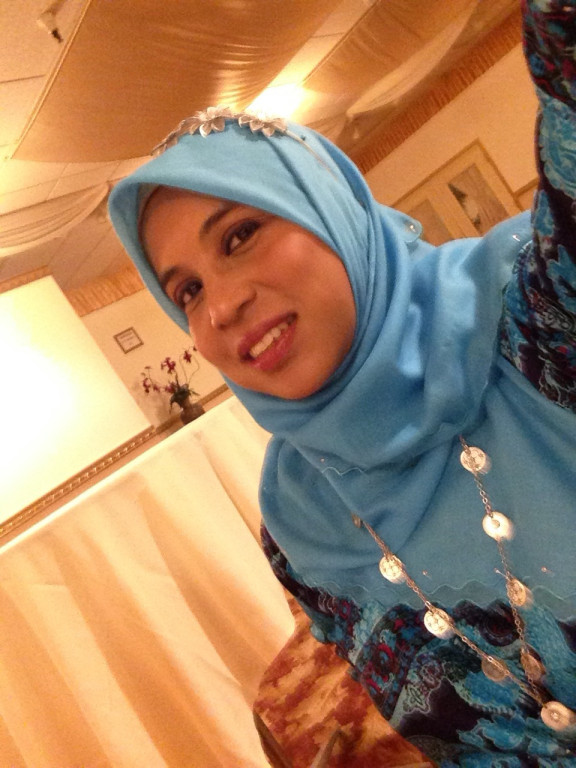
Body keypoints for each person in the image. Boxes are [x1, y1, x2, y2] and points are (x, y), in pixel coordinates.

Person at [109, 0, 576, 763]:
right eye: (186, 291)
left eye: (240, 234)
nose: (220, 307)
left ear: (333, 214)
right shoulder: (300, 518)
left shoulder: (540, 315)